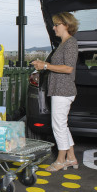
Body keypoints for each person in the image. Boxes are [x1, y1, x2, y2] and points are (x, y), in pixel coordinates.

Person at [32, 12, 79, 172]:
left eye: (56, 24)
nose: (53, 28)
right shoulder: (63, 43)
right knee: (62, 125)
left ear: (66, 25)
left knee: (58, 126)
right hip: (60, 89)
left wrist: (45, 66)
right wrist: (44, 64)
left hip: (63, 90)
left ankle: (60, 160)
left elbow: (68, 68)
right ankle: (71, 158)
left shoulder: (70, 43)